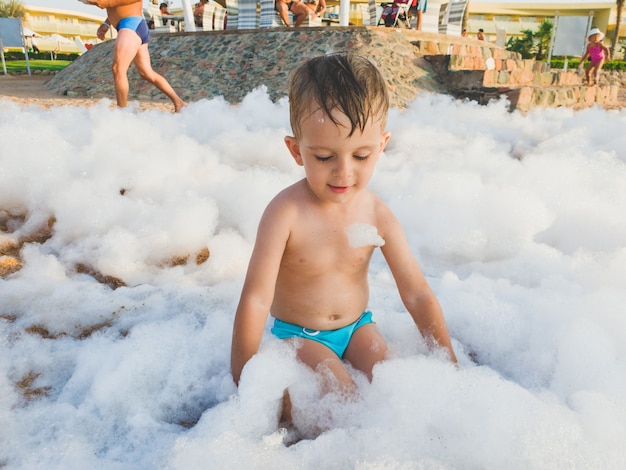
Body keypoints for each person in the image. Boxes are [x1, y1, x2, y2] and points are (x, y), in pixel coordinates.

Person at [231, 54, 457, 429]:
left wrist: (449, 364)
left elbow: (417, 293)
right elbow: (256, 297)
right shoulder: (285, 213)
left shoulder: (376, 213)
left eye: (361, 155)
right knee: (345, 400)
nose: (344, 172)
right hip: (299, 336)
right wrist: (245, 380)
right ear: (295, 151)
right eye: (323, 156)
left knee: (395, 386)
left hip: (357, 327)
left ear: (382, 145)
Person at [85, 0, 186, 112]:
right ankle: (179, 102)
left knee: (118, 69)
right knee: (147, 73)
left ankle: (122, 113)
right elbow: (116, 5)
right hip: (131, 26)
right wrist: (106, 23)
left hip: (132, 25)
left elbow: (108, 3)